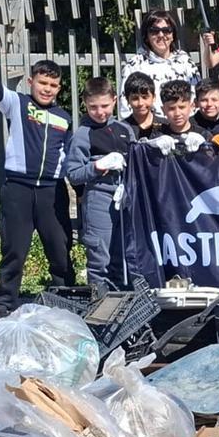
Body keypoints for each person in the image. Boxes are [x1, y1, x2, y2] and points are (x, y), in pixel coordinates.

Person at [0, 41, 75, 319]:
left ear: (59, 88)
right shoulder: (17, 104)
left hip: (51, 192)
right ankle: (4, 302)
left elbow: (69, 157)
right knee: (14, 250)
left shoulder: (64, 117)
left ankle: (65, 299)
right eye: (42, 82)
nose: (47, 89)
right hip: (18, 188)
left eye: (53, 85)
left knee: (60, 247)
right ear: (31, 82)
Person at [65, 77, 134, 292]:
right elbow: (73, 174)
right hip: (98, 198)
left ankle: (123, 303)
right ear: (85, 103)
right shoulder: (83, 134)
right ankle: (100, 306)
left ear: (114, 100)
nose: (100, 112)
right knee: (99, 254)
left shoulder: (125, 129)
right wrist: (97, 167)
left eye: (105, 106)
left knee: (123, 253)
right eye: (93, 107)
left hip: (125, 198)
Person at [118, 10, 198, 114]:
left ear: (173, 35)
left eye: (166, 30)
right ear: (146, 36)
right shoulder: (135, 65)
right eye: (154, 31)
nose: (161, 35)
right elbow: (125, 104)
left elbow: (196, 97)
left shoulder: (185, 60)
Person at [140, 79, 208, 155]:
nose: (177, 113)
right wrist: (150, 146)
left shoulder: (203, 134)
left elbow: (216, 162)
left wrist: (206, 146)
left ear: (192, 107)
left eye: (182, 107)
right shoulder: (157, 135)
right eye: (171, 108)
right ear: (163, 110)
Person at [121, 72, 166, 139]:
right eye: (135, 98)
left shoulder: (165, 126)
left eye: (145, 97)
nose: (140, 103)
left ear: (154, 98)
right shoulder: (121, 129)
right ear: (127, 100)